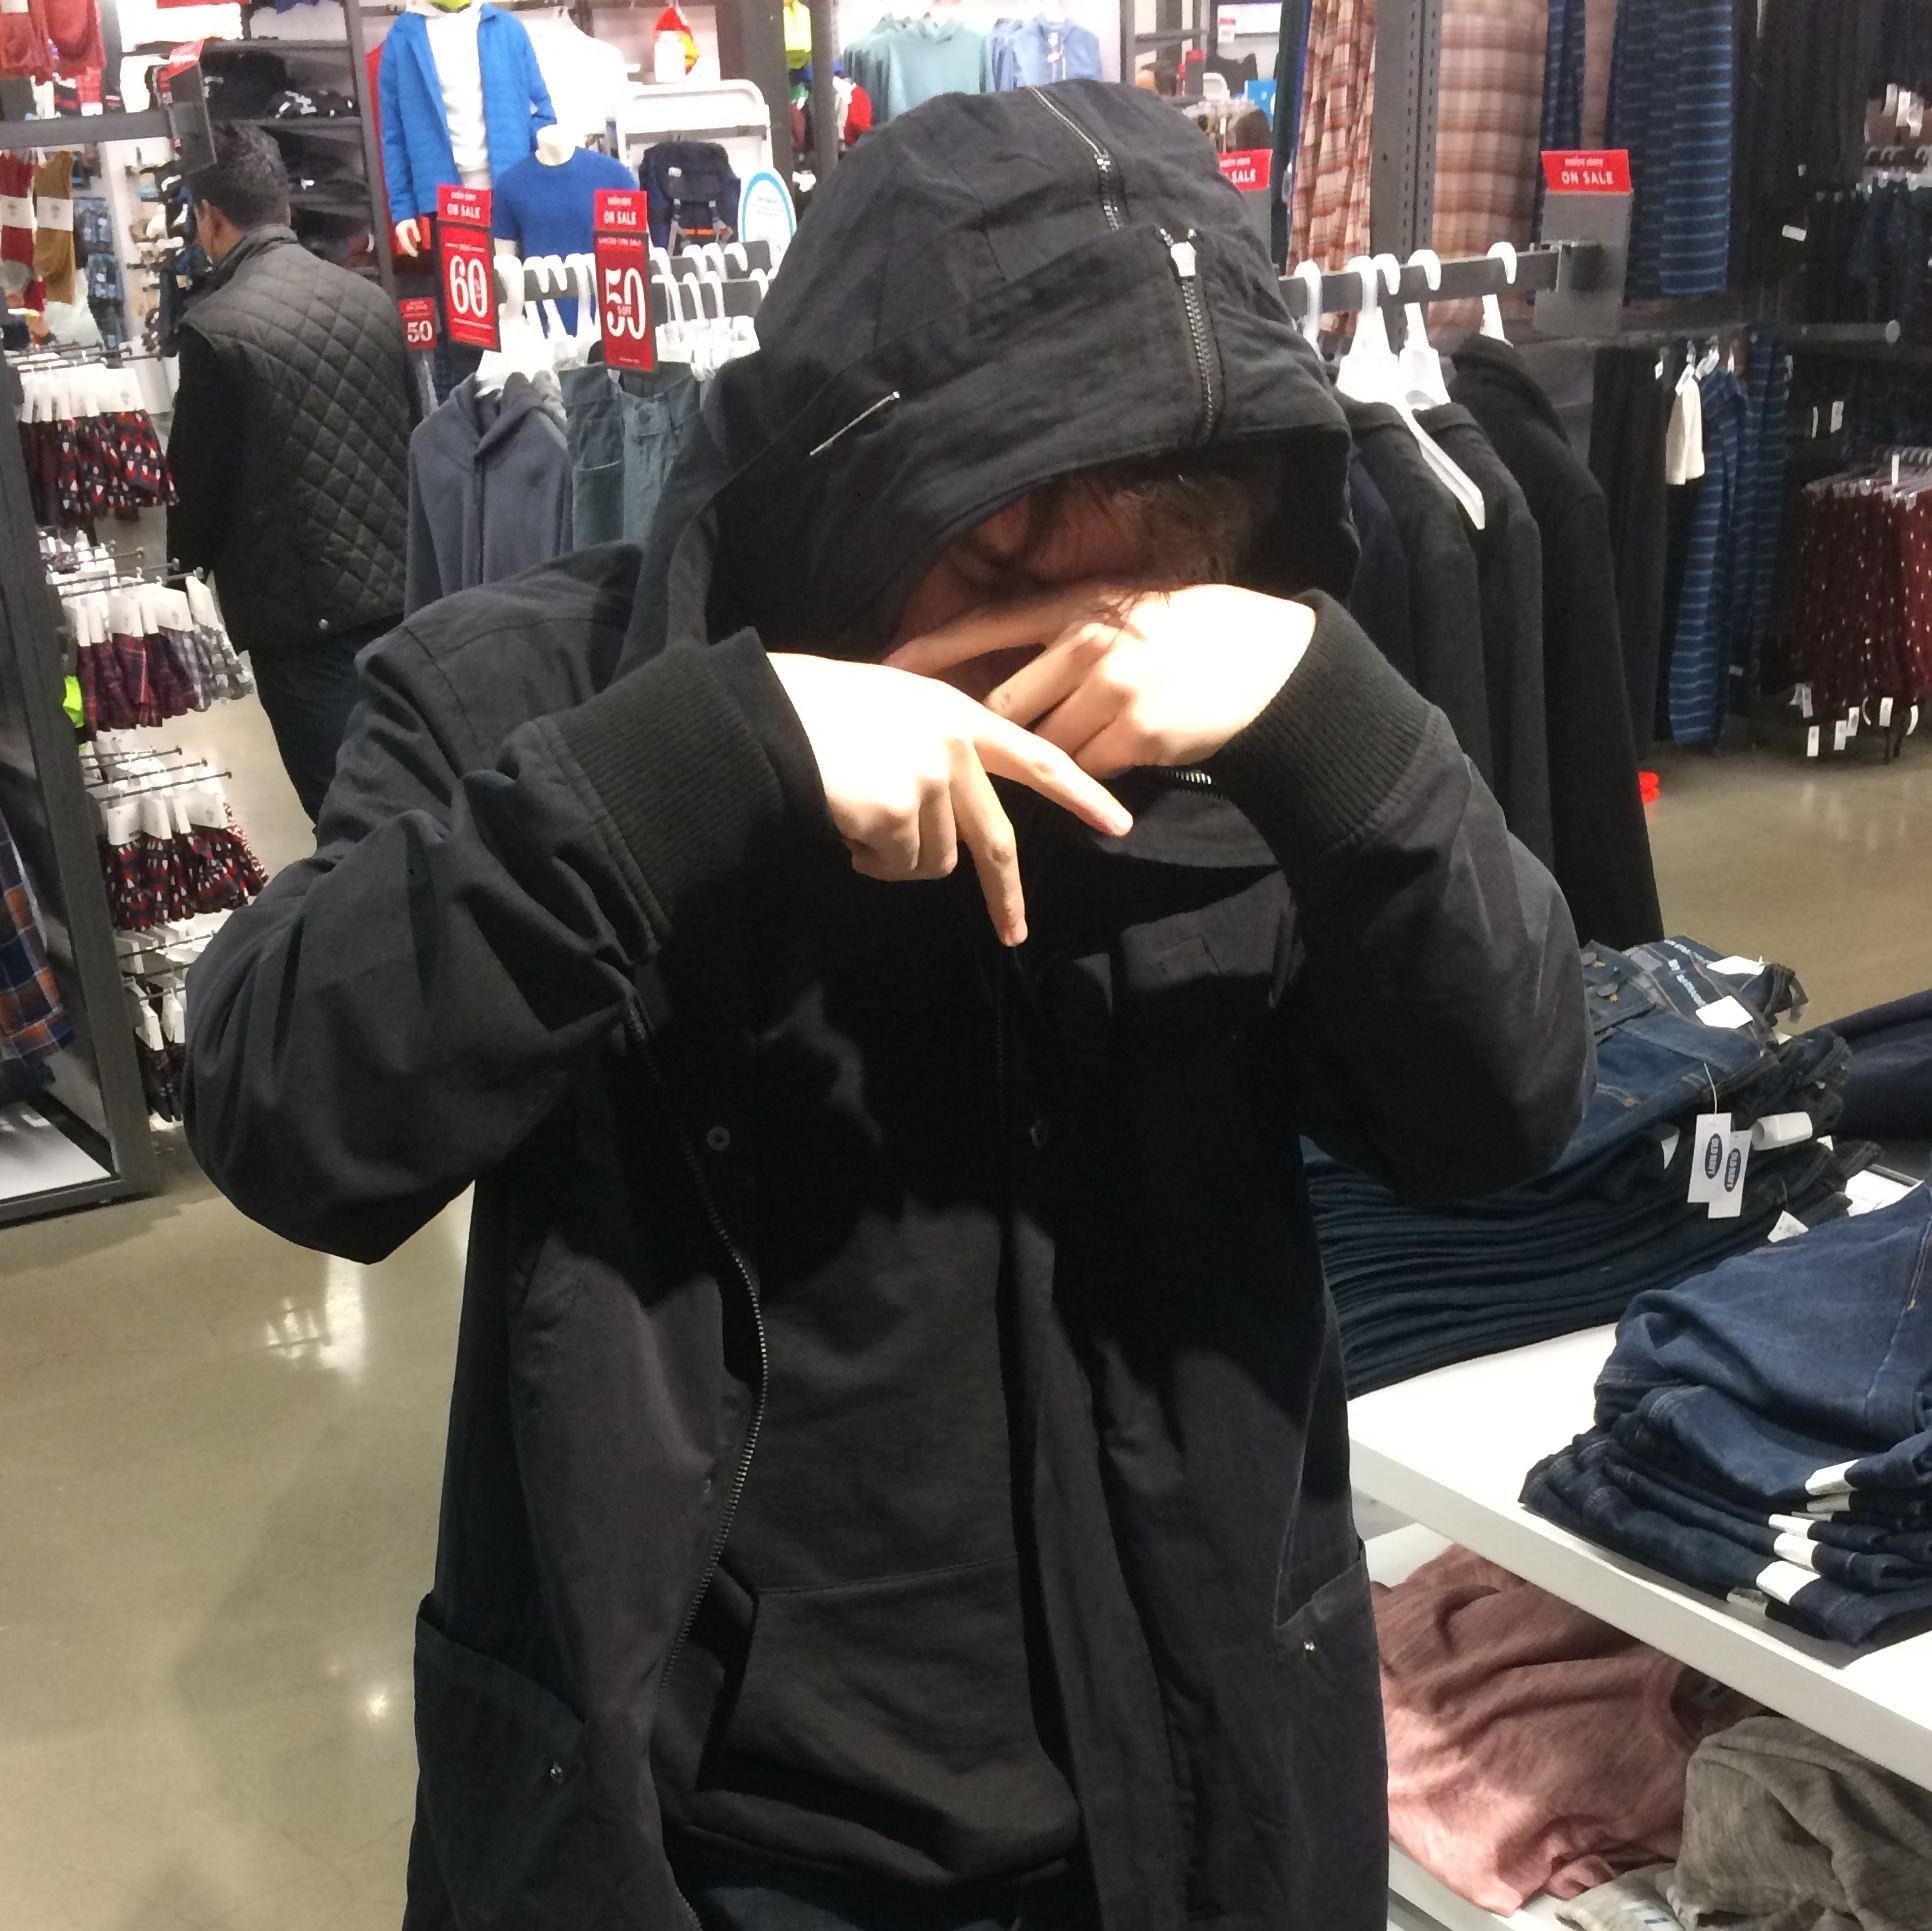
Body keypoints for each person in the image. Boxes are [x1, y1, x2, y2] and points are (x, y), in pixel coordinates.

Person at [185, 82, 1592, 1931]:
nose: (1075, 637)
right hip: (708, 1843)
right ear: (842, 485)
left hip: (1190, 1791)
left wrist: (1331, 721)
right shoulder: (531, 690)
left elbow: (1505, 1104)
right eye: (1002, 563)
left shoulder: (1242, 697)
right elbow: (285, 1105)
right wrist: (707, 763)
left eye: (1153, 567)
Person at [167, 122, 415, 824]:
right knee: (417, 791)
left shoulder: (216, 329)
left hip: (298, 620)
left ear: (210, 217)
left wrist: (178, 571)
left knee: (344, 816)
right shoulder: (371, 301)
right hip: (401, 596)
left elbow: (196, 490)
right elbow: (418, 435)